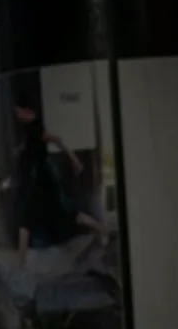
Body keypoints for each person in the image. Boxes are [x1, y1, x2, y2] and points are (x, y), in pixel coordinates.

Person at [10, 103, 106, 269]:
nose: (18, 114)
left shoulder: (36, 128)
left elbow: (56, 140)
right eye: (17, 112)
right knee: (28, 220)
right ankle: (21, 264)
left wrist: (73, 159)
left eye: (21, 111)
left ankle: (101, 229)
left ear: (29, 111)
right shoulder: (29, 132)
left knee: (51, 217)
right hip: (36, 182)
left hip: (44, 182)